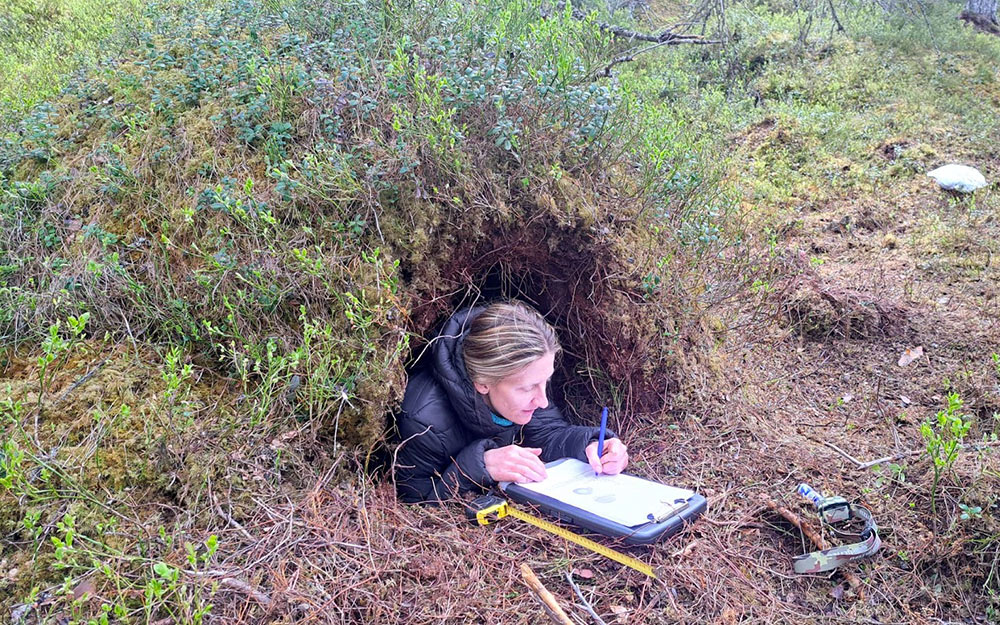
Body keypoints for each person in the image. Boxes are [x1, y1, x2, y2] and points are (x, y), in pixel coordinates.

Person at [394, 301, 628, 503]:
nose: (543, 401)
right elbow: (415, 502)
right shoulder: (424, 422)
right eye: (528, 388)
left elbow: (547, 432)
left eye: (545, 382)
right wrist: (478, 466)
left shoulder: (522, 380)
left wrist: (593, 443)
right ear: (483, 382)